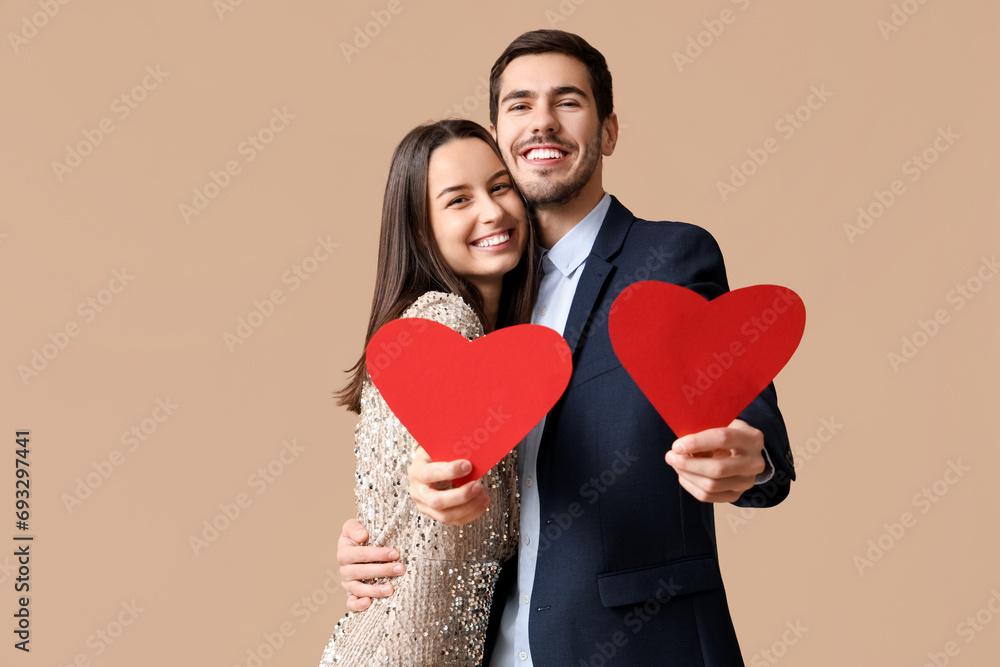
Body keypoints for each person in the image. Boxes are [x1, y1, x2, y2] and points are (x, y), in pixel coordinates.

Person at [337, 30, 795, 666]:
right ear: (498, 136)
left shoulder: (669, 259)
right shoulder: (479, 306)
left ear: (607, 132)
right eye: (519, 105)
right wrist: (384, 542)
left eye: (568, 101)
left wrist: (754, 459)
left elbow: (751, 424)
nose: (542, 121)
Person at [318, 119, 539, 666]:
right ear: (421, 229)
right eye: (458, 200)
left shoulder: (459, 331)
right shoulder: (445, 325)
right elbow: (444, 514)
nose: (491, 212)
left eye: (500, 186)